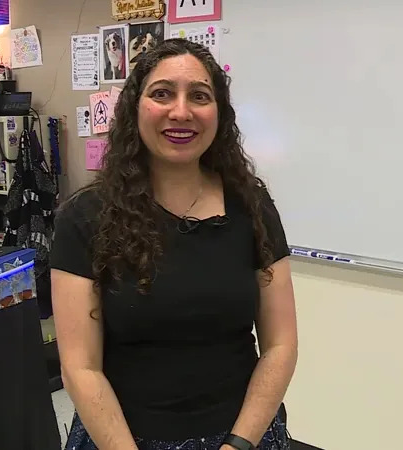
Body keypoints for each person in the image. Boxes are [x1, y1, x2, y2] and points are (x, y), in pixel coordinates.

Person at [50, 39, 298, 450]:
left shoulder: (251, 206)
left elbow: (280, 345)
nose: (181, 112)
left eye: (199, 96)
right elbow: (80, 368)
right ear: (135, 107)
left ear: (219, 113)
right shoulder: (85, 216)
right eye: (162, 93)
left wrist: (238, 445)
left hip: (243, 435)